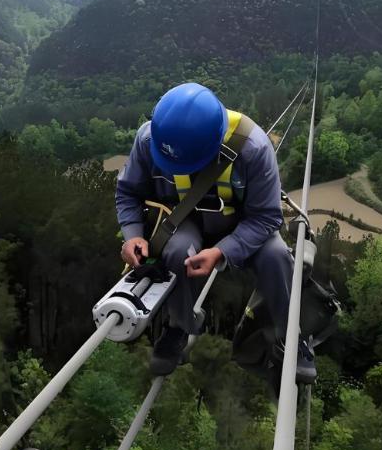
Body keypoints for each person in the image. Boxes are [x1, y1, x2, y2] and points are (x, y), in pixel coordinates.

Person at [115, 82, 316, 383]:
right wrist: (132, 234)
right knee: (178, 250)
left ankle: (290, 335)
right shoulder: (150, 140)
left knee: (276, 257)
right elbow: (128, 192)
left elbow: (266, 217)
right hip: (186, 220)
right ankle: (180, 327)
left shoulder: (254, 148)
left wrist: (224, 251)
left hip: (244, 221)